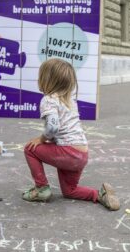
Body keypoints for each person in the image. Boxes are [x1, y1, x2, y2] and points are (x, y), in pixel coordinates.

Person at [23, 58, 120, 211]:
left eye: (40, 76)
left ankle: (41, 188)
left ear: (47, 80)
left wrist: (41, 139)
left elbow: (53, 128)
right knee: (70, 191)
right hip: (82, 154)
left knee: (30, 148)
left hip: (67, 153)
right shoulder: (69, 100)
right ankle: (99, 194)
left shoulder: (48, 100)